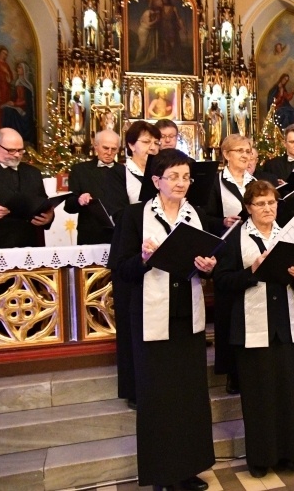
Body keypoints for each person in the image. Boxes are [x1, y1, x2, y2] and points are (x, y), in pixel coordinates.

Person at [110, 149, 216, 491]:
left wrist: (208, 268)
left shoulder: (195, 214)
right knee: (159, 397)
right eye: (173, 176)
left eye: (186, 176)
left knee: (189, 394)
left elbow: (205, 260)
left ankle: (189, 468)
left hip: (187, 313)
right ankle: (162, 475)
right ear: (156, 181)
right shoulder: (134, 215)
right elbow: (121, 269)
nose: (181, 183)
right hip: (152, 315)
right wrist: (143, 259)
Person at [213, 180, 294, 478]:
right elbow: (223, 280)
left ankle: (290, 455)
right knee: (258, 395)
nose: (268, 208)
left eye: (272, 203)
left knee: (286, 392)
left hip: (284, 322)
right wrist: (252, 271)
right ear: (248, 208)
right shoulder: (234, 238)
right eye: (261, 204)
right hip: (251, 324)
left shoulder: (291, 235)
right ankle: (260, 458)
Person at [108, 120, 160, 409]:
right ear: (130, 145)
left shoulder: (160, 171)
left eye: (155, 143)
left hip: (157, 244)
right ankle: (132, 387)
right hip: (129, 244)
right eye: (145, 142)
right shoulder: (118, 173)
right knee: (131, 318)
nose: (151, 148)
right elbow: (117, 209)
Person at [206, 135, 256, 393]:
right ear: (226, 154)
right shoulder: (215, 182)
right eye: (240, 151)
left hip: (251, 249)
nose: (246, 155)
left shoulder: (255, 183)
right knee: (228, 311)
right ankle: (230, 371)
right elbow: (204, 216)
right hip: (226, 251)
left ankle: (250, 367)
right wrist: (222, 222)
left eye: (248, 151)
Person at [65, 130, 129, 245]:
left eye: (113, 149)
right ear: (96, 146)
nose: (109, 152)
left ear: (118, 150)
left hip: (120, 234)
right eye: (105, 148)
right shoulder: (80, 170)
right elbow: (69, 206)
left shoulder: (125, 172)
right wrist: (79, 200)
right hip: (90, 234)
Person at [0, 61, 37, 148]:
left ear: (24, 70)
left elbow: (27, 102)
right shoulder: (17, 83)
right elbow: (15, 97)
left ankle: (14, 138)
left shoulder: (28, 86)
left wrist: (15, 104)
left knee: (10, 112)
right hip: (17, 106)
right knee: (5, 109)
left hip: (24, 109)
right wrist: (11, 102)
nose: (18, 69)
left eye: (20, 68)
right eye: (18, 67)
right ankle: (6, 138)